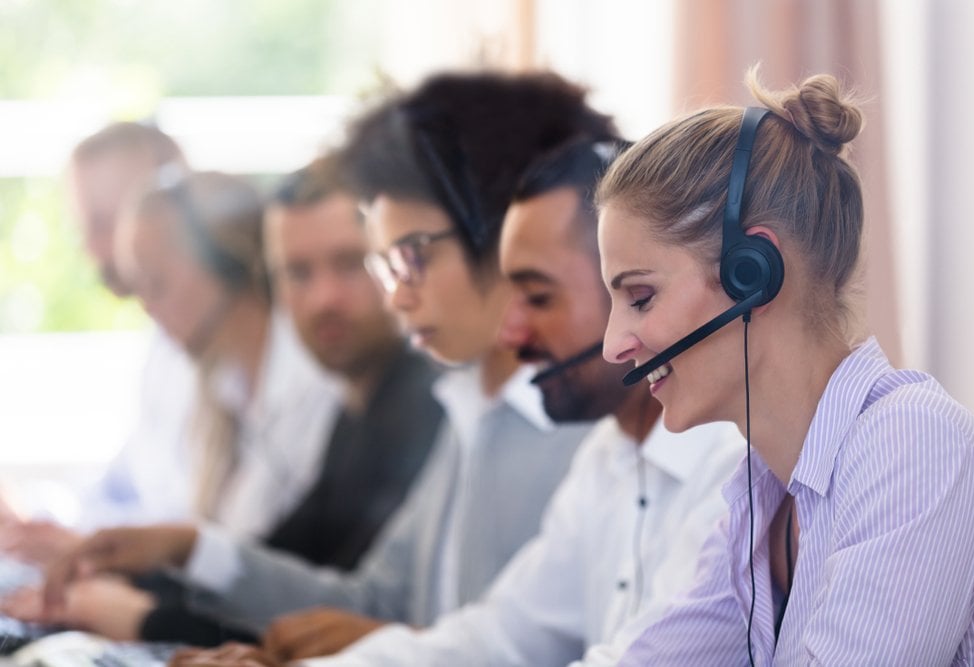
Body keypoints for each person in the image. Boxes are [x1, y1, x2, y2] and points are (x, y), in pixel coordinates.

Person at [42, 70, 609, 653]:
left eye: (411, 258)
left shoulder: (570, 428)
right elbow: (376, 604)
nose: (395, 297)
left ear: (498, 238)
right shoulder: (470, 407)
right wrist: (193, 549)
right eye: (387, 264)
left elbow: (485, 646)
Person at [245, 139, 747, 667]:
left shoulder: (733, 468)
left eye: (538, 297)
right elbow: (499, 635)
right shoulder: (606, 457)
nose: (511, 332)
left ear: (628, 290)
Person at [594, 70, 974, 665]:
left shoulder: (914, 445)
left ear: (753, 273)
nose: (612, 346)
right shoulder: (763, 492)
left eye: (641, 297)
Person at [0, 123, 197, 563]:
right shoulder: (163, 348)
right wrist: (27, 519)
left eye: (103, 224)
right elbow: (116, 490)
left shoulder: (213, 352)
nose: (90, 249)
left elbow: (197, 539)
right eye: (82, 228)